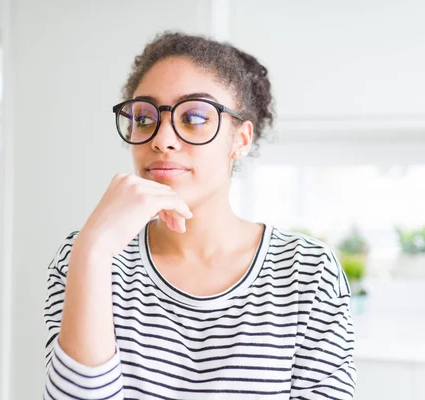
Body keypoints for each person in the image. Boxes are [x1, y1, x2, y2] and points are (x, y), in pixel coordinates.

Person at [43, 32, 356, 400]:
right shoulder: (84, 256)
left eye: (193, 117)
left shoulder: (309, 272)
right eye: (144, 119)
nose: (161, 139)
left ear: (240, 140)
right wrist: (93, 251)